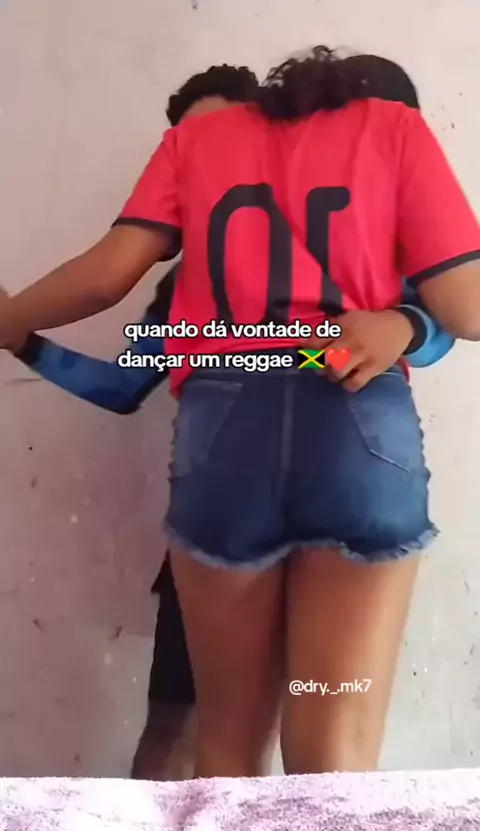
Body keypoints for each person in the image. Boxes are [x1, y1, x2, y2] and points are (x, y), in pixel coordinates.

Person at [2, 47, 479, 780]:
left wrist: (13, 322)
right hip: (354, 428)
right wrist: (404, 326)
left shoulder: (196, 144)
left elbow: (103, 278)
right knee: (334, 748)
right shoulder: (394, 130)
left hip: (225, 431)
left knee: (225, 742)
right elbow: (464, 309)